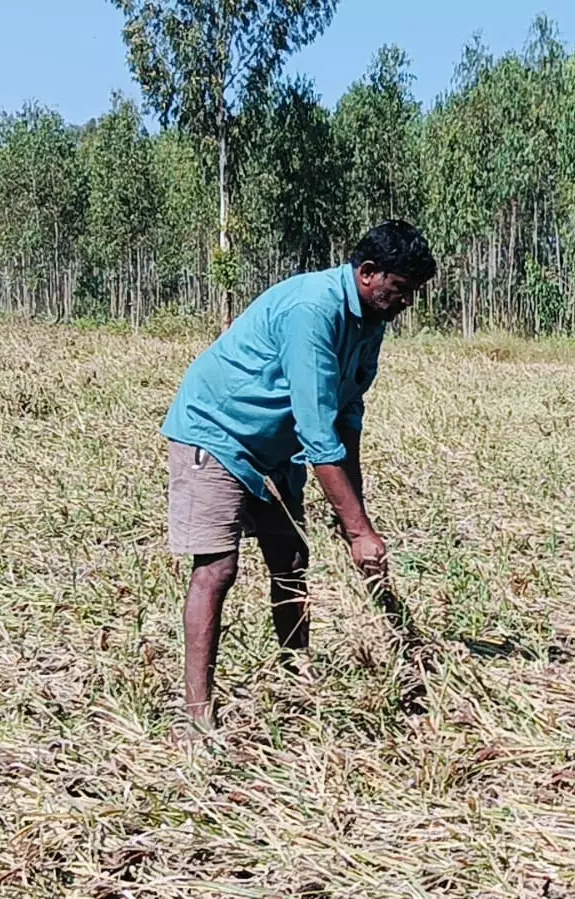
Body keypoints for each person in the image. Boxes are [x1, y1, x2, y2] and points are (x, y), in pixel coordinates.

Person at [160, 220, 438, 728]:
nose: (406, 304)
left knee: (290, 560)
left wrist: (353, 511)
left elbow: (345, 417)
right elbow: (316, 432)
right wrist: (357, 530)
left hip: (275, 448)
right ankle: (198, 720)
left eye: (412, 295)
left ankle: (296, 679)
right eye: (400, 291)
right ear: (368, 273)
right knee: (218, 569)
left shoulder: (370, 322)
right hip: (218, 432)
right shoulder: (314, 310)